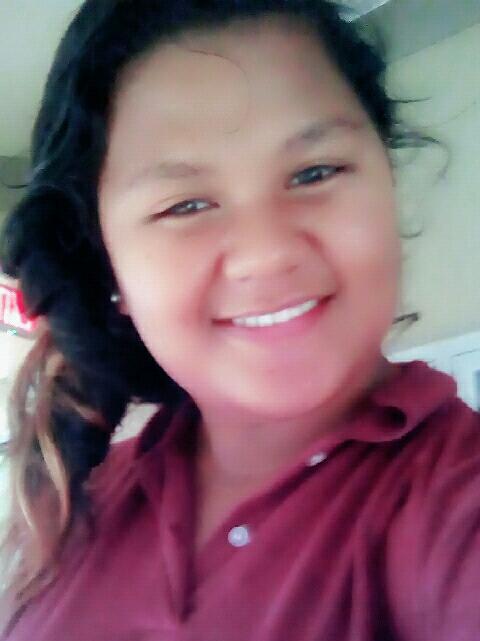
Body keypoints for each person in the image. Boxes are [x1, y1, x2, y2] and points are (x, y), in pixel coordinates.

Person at [0, 1, 479, 639]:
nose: (267, 253)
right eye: (185, 205)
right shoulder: (71, 506)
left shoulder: (454, 495)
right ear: (108, 262)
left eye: (315, 172)